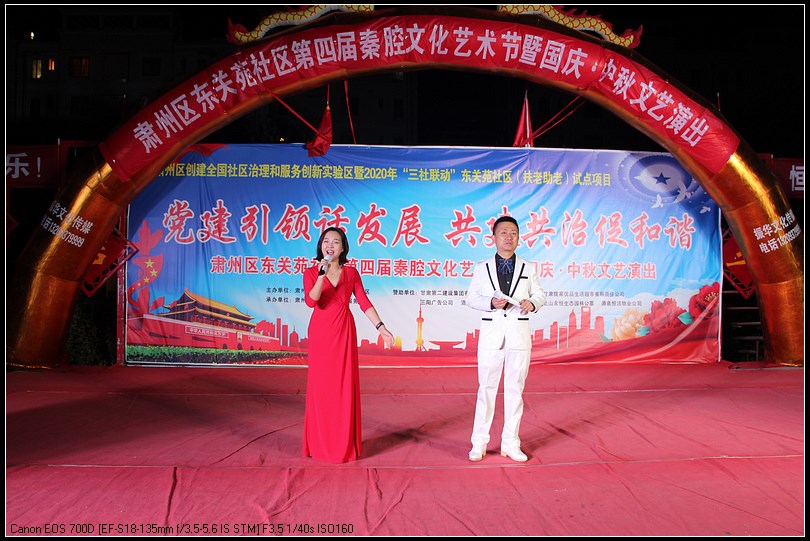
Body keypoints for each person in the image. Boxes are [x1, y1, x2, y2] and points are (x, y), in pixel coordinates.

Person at [302, 226, 394, 463]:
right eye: (326, 241)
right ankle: (319, 444)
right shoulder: (311, 272)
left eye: (336, 242)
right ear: (320, 246)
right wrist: (321, 275)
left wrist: (381, 327)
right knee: (321, 387)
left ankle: (343, 444)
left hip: (343, 331)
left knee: (343, 386)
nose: (330, 245)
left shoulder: (351, 273)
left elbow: (363, 301)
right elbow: (311, 302)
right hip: (321, 332)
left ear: (343, 248)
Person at [466, 216, 546, 462]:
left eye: (513, 233)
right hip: (491, 337)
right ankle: (479, 443)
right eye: (503, 232)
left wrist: (532, 303)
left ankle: (511, 443)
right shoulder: (482, 267)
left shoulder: (528, 267)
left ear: (519, 238)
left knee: (515, 390)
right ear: (493, 238)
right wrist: (490, 303)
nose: (508, 237)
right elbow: (471, 298)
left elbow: (540, 294)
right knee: (486, 389)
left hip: (518, 336)